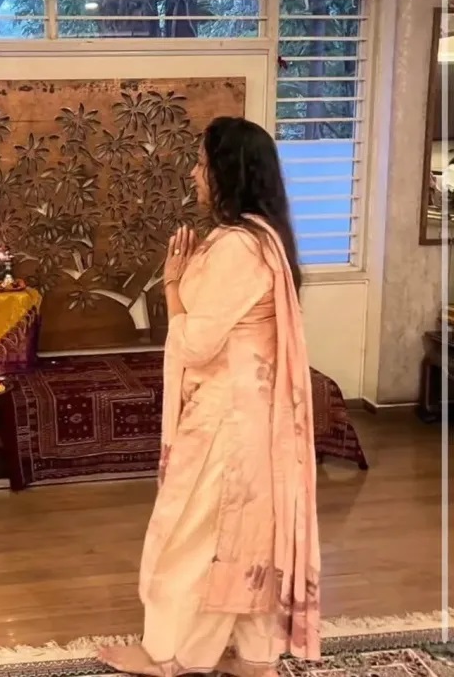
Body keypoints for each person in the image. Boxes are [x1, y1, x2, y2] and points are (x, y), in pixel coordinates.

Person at [99, 116, 321, 677]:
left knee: (189, 536)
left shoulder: (237, 248)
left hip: (227, 416)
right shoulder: (264, 237)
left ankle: (169, 654)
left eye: (202, 164)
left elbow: (197, 343)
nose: (195, 174)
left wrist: (173, 282)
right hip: (250, 412)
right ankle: (254, 655)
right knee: (243, 535)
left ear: (228, 173)